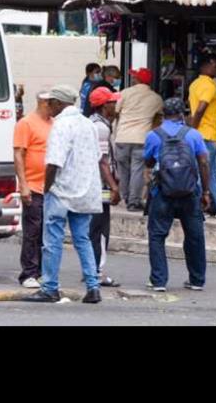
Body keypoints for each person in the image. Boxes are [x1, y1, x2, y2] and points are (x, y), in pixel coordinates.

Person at [24, 85, 104, 304]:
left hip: (61, 190)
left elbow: (53, 163)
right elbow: (96, 156)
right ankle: (93, 286)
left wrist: (46, 187)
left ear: (59, 104)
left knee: (52, 240)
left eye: (50, 102)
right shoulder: (89, 125)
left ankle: (50, 287)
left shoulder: (60, 125)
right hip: (85, 191)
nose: (47, 106)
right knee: (82, 239)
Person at [143, 97, 211, 292]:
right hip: (190, 192)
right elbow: (204, 163)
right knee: (195, 236)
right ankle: (197, 280)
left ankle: (158, 281)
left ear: (163, 114)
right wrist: (206, 191)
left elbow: (147, 162)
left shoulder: (153, 135)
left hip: (162, 192)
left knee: (157, 236)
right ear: (182, 114)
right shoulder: (194, 135)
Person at [13, 90, 54, 288]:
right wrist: (24, 185)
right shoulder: (26, 123)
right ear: (45, 102)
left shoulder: (54, 124)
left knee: (47, 231)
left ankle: (41, 272)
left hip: (51, 187)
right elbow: (19, 154)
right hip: (34, 185)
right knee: (33, 230)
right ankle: (28, 272)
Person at [189, 54, 216, 218]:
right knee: (207, 172)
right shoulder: (209, 85)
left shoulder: (194, 84)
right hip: (206, 135)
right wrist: (192, 130)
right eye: (215, 65)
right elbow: (200, 109)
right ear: (205, 67)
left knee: (211, 171)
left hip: (203, 134)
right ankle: (203, 206)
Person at [113, 67, 164, 211]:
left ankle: (127, 197)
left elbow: (115, 111)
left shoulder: (125, 93)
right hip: (141, 138)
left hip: (122, 136)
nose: (133, 79)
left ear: (137, 80)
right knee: (137, 170)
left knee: (123, 169)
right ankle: (134, 201)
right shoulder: (156, 98)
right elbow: (159, 117)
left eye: (134, 77)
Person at [87, 87, 122, 287]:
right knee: (100, 230)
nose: (115, 105)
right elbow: (102, 161)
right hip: (100, 186)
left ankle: (91, 269)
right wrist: (113, 186)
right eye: (112, 102)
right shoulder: (100, 128)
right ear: (104, 105)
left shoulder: (94, 123)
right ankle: (97, 272)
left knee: (93, 228)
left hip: (94, 184)